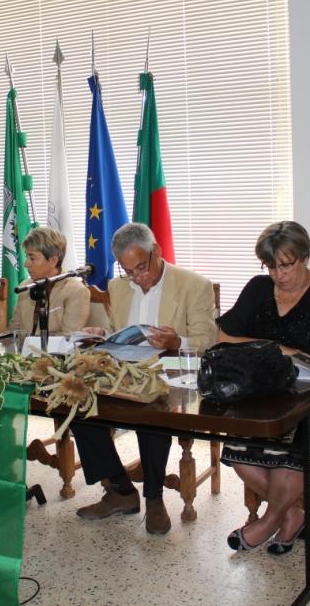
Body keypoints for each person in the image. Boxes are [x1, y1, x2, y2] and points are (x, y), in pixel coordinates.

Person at [217, 220, 310, 555]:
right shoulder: (258, 289)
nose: (277, 274)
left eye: (285, 265)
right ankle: (294, 514)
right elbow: (222, 335)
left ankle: (268, 522)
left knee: (291, 456)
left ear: (305, 257)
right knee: (237, 449)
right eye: (270, 266)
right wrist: (275, 348)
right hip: (272, 395)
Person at [71, 222, 217, 535]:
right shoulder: (118, 287)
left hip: (172, 373)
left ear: (157, 253)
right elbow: (119, 332)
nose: (138, 278)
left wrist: (176, 341)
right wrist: (102, 335)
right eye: (129, 271)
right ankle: (121, 490)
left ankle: (154, 498)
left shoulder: (193, 284)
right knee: (76, 403)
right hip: (125, 370)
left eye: (141, 267)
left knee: (153, 409)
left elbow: (207, 339)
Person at [11, 226, 90, 336]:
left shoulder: (76, 291)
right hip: (22, 352)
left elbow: (68, 338)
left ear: (53, 260)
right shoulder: (25, 286)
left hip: (55, 353)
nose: (26, 264)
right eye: (26, 257)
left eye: (32, 258)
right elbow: (14, 330)